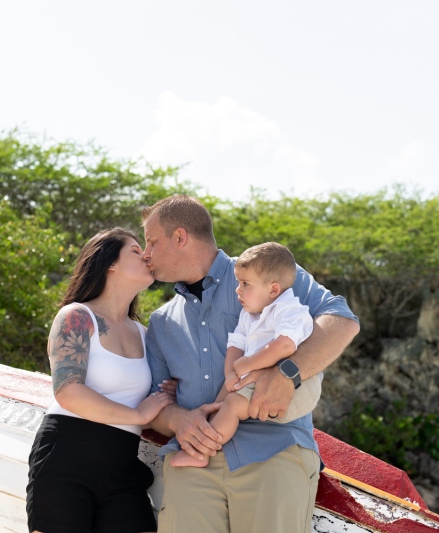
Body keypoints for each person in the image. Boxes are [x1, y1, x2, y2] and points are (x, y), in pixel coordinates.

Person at [142, 195, 360, 533]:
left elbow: (342, 320)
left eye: (151, 242)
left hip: (274, 449)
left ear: (180, 237)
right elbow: (155, 401)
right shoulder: (160, 323)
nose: (146, 254)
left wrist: (289, 372)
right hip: (191, 462)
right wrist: (178, 420)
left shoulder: (266, 273)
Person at [26, 228, 174, 533]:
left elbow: (154, 394)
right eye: (135, 250)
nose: (147, 255)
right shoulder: (77, 316)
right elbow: (68, 391)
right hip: (66, 457)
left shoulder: (145, 334)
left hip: (122, 464)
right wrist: (137, 415)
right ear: (110, 263)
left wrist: (166, 393)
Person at [169, 241, 319, 468]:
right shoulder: (250, 315)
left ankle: (202, 452)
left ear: (273, 289)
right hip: (258, 378)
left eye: (245, 284)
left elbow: (285, 346)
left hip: (295, 387)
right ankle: (206, 426)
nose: (238, 289)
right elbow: (236, 344)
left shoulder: (290, 311)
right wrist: (231, 372)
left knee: (232, 405)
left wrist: (246, 364)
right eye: (238, 282)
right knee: (222, 398)